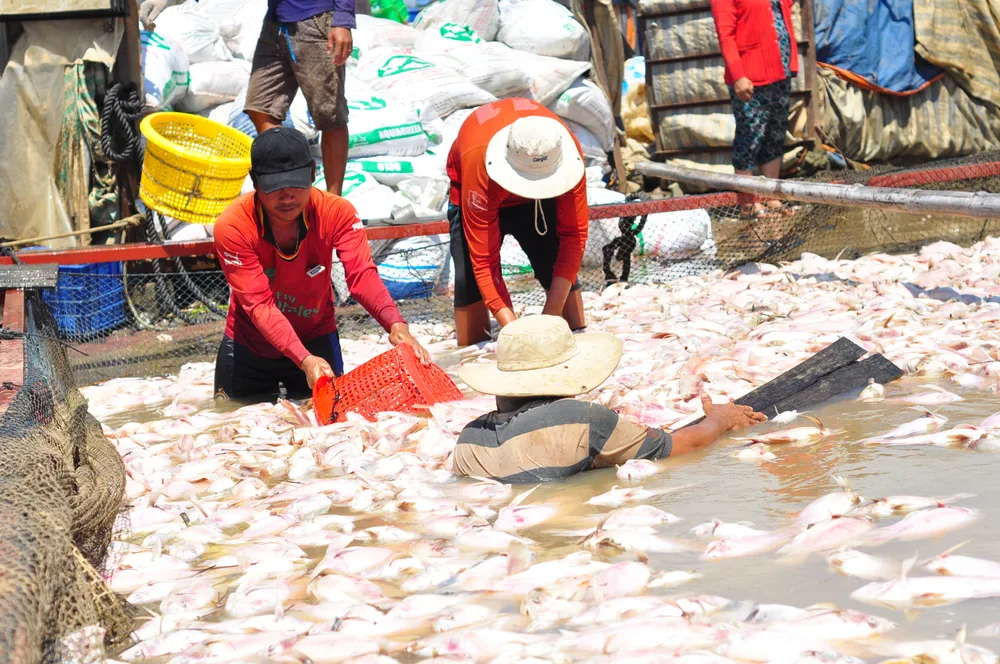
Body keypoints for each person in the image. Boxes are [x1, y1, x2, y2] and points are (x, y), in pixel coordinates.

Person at [213, 126, 430, 401]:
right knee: (233, 423)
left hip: (316, 336)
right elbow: (259, 306)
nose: (287, 195)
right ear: (255, 182)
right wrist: (303, 360)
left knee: (332, 427)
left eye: (296, 183)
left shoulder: (337, 212)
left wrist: (396, 325)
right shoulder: (233, 226)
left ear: (313, 175)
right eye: (275, 186)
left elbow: (361, 275)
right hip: (250, 347)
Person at [452, 315, 767, 483]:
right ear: (567, 373)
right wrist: (721, 419)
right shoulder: (582, 418)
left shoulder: (468, 439)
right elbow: (684, 448)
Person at [447, 98, 589, 348]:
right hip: (484, 187)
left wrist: (550, 319)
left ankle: (568, 323)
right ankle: (479, 343)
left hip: (538, 201)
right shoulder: (478, 161)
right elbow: (483, 260)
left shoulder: (566, 151)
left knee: (553, 262)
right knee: (469, 283)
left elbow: (573, 236)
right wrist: (515, 334)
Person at [710, 0, 799, 218]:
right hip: (750, 75)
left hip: (779, 69)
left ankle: (770, 196)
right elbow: (725, 34)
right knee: (750, 137)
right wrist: (738, 75)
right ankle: (747, 202)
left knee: (774, 134)